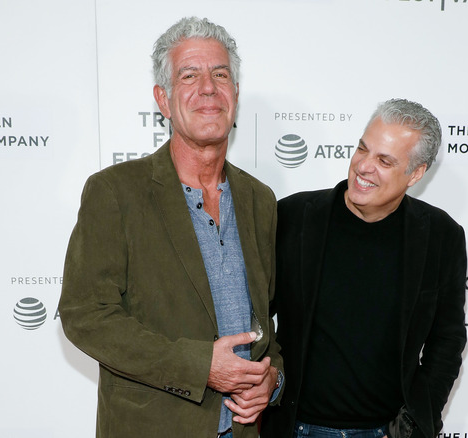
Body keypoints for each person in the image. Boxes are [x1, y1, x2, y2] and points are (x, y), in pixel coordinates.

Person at [59, 17, 283, 438]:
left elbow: (266, 325)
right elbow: (85, 316)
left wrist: (273, 379)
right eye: (189, 75)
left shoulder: (260, 200)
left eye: (220, 75)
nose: (208, 88)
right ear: (163, 100)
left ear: (235, 94)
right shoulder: (116, 192)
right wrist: (199, 366)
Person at [261, 99, 467, 438]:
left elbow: (447, 341)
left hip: (384, 430)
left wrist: (410, 428)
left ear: (416, 173)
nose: (364, 166)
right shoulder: (293, 217)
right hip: (295, 428)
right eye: (362, 148)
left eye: (384, 161)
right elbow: (253, 314)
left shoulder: (440, 236)